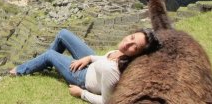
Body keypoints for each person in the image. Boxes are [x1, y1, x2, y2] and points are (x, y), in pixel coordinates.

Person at [9, 28, 161, 104]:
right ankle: (45, 65)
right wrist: (89, 58)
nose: (128, 42)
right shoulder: (122, 54)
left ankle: (19, 71)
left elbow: (107, 101)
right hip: (94, 66)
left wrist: (81, 93)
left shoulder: (112, 70)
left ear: (138, 55)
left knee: (50, 55)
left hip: (83, 78)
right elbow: (103, 59)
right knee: (63, 34)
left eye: (135, 46)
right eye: (132, 37)